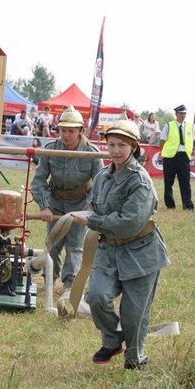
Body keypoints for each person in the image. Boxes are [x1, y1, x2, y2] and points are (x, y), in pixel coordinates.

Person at [71, 117, 170, 370]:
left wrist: (93, 221)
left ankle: (135, 360)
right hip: (108, 249)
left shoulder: (140, 181)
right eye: (111, 144)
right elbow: (94, 206)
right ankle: (113, 339)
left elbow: (129, 222)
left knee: (134, 315)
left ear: (134, 147)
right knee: (96, 297)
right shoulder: (102, 176)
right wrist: (89, 213)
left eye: (122, 145)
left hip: (141, 252)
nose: (115, 151)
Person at [30, 104, 103, 293]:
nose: (66, 135)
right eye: (63, 130)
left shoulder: (93, 153)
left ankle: (69, 285)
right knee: (53, 243)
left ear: (80, 131)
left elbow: (101, 183)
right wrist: (44, 206)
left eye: (71, 131)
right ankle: (49, 280)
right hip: (55, 202)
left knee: (75, 245)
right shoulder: (50, 150)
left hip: (81, 203)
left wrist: (89, 207)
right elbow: (38, 180)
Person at [159, 105, 194, 211]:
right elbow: (162, 141)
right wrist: (164, 153)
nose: (183, 115)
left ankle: (188, 205)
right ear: (176, 114)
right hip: (170, 157)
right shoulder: (169, 125)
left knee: (185, 183)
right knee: (168, 182)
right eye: (181, 113)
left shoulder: (189, 126)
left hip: (184, 157)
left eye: (184, 113)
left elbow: (192, 141)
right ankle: (170, 205)